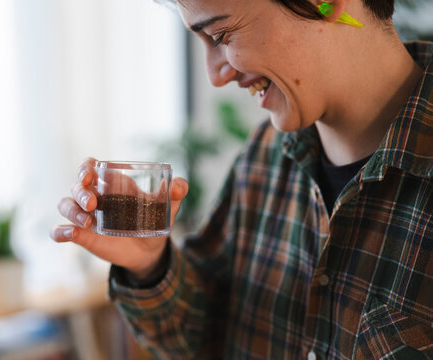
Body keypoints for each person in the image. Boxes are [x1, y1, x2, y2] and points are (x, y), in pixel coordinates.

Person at [51, 0, 433, 358]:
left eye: (220, 36)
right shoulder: (262, 158)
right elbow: (201, 336)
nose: (215, 76)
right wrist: (150, 267)